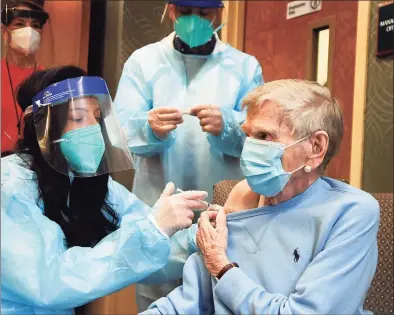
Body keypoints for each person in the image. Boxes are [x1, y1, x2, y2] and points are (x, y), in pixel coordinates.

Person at [141, 80, 380, 315]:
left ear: (315, 148)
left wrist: (222, 267)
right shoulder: (241, 201)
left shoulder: (351, 212)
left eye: (265, 136)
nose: (250, 148)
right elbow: (191, 300)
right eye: (248, 135)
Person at [1, 66, 209, 315]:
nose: (92, 128)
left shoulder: (86, 182)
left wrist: (200, 236)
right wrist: (154, 230)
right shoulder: (11, 185)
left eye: (97, 117)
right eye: (78, 118)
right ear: (44, 127)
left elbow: (150, 248)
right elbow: (47, 282)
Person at [114, 0, 263, 309]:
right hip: (158, 204)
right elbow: (120, 132)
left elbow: (261, 137)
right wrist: (150, 128)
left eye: (204, 13)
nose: (194, 21)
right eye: (185, 13)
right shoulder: (144, 62)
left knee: (220, 295)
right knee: (158, 297)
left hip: (222, 206)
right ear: (170, 10)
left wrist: (230, 126)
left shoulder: (245, 67)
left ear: (220, 13)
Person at [1, 0, 49, 155]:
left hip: (33, 170)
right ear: (5, 32)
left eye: (35, 25)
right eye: (19, 24)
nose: (29, 31)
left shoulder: (49, 81)